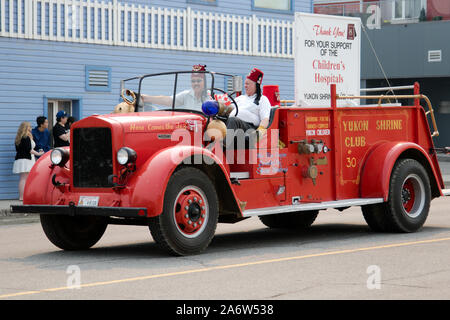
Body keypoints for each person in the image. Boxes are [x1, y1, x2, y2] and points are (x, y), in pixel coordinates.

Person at [224, 67, 271, 147]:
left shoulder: (262, 99)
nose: (245, 86)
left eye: (248, 84)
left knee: (233, 120)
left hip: (249, 129)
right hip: (234, 126)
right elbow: (228, 108)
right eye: (245, 83)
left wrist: (260, 132)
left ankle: (222, 147)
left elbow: (265, 119)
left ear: (256, 85)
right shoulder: (240, 98)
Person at [141, 64, 210, 112]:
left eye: (199, 81)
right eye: (193, 81)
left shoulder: (211, 97)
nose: (196, 83)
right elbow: (169, 100)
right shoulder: (186, 95)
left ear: (204, 82)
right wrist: (144, 98)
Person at [12, 122, 44, 200]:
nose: (31, 128)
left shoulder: (19, 137)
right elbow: (29, 150)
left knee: (23, 178)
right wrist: (39, 154)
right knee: (24, 178)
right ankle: (22, 197)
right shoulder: (26, 137)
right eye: (29, 126)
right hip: (26, 160)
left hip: (22, 159)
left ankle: (23, 196)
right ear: (26, 128)